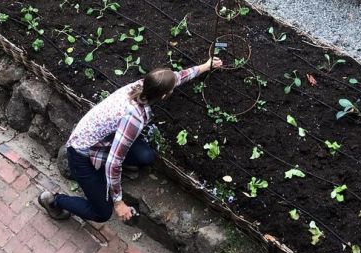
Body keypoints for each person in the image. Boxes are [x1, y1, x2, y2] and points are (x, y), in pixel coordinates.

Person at [38, 55, 223, 223]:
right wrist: (118, 203)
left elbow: (177, 77)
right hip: (82, 153)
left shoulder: (142, 85)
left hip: (101, 140)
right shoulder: (133, 118)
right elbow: (113, 163)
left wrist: (204, 66)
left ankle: (103, 178)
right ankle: (56, 201)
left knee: (146, 156)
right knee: (101, 212)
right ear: (165, 95)